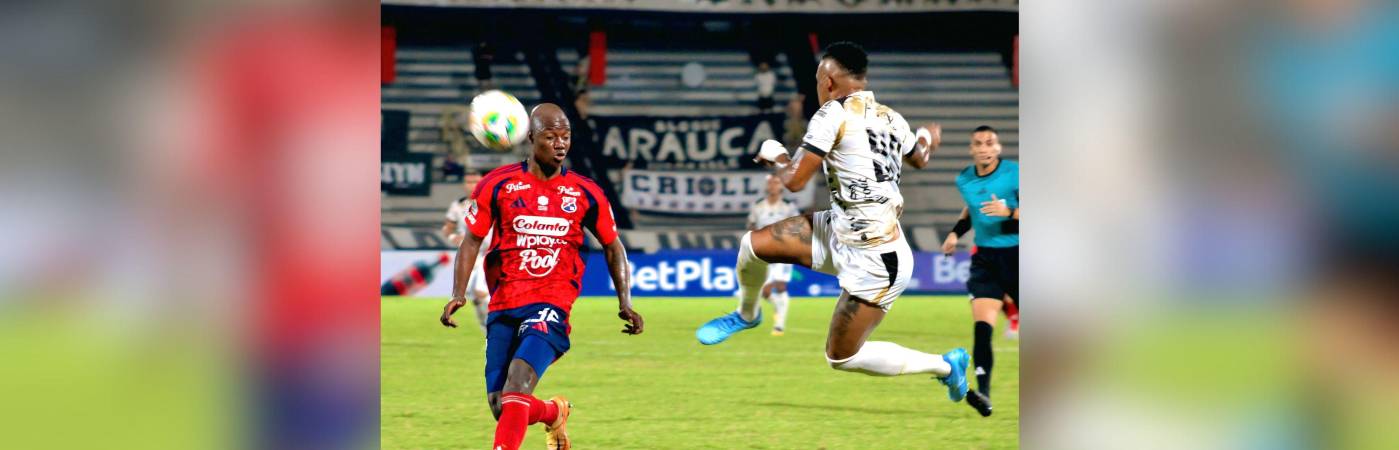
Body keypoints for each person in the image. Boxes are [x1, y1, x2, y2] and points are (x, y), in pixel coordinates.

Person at [695, 42, 971, 403]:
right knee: (754, 245)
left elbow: (793, 181)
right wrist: (924, 137)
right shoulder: (892, 118)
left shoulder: (832, 114)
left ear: (827, 81)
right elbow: (919, 158)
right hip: (839, 226)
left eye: (816, 79)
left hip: (876, 257)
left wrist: (776, 155)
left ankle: (946, 366)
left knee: (842, 357)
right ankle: (747, 315)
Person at [440, 103, 645, 450]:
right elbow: (472, 239)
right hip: (504, 303)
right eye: (551, 136)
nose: (560, 144)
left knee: (518, 386)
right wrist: (459, 292)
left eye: (565, 136)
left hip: (551, 303)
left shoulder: (584, 192)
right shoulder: (498, 184)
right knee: (502, 406)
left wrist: (625, 301)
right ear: (532, 138)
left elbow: (614, 246)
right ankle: (553, 412)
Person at [940, 125, 1019, 417]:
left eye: (990, 143)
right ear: (971, 149)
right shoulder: (964, 179)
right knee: (982, 329)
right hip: (986, 260)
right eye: (978, 143)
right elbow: (970, 210)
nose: (984, 148)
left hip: (1020, 256)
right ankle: (983, 394)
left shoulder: (1014, 172)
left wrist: (1009, 213)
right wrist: (954, 233)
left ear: (998, 148)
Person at [745, 175, 802, 335]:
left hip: (784, 252)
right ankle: (778, 308)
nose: (773, 185)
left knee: (781, 285)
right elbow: (751, 225)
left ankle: (779, 325)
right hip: (764, 252)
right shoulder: (758, 206)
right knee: (765, 291)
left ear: (781, 186)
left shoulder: (788, 207)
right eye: (770, 183)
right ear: (766, 186)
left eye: (776, 182)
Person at [441, 172, 492, 332]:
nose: (472, 185)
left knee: (481, 292)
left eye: (475, 182)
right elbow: (447, 228)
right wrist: (453, 237)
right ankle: (488, 330)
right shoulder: (458, 206)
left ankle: (496, 329)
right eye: (468, 182)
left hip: (490, 253)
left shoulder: (492, 202)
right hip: (470, 255)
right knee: (476, 297)